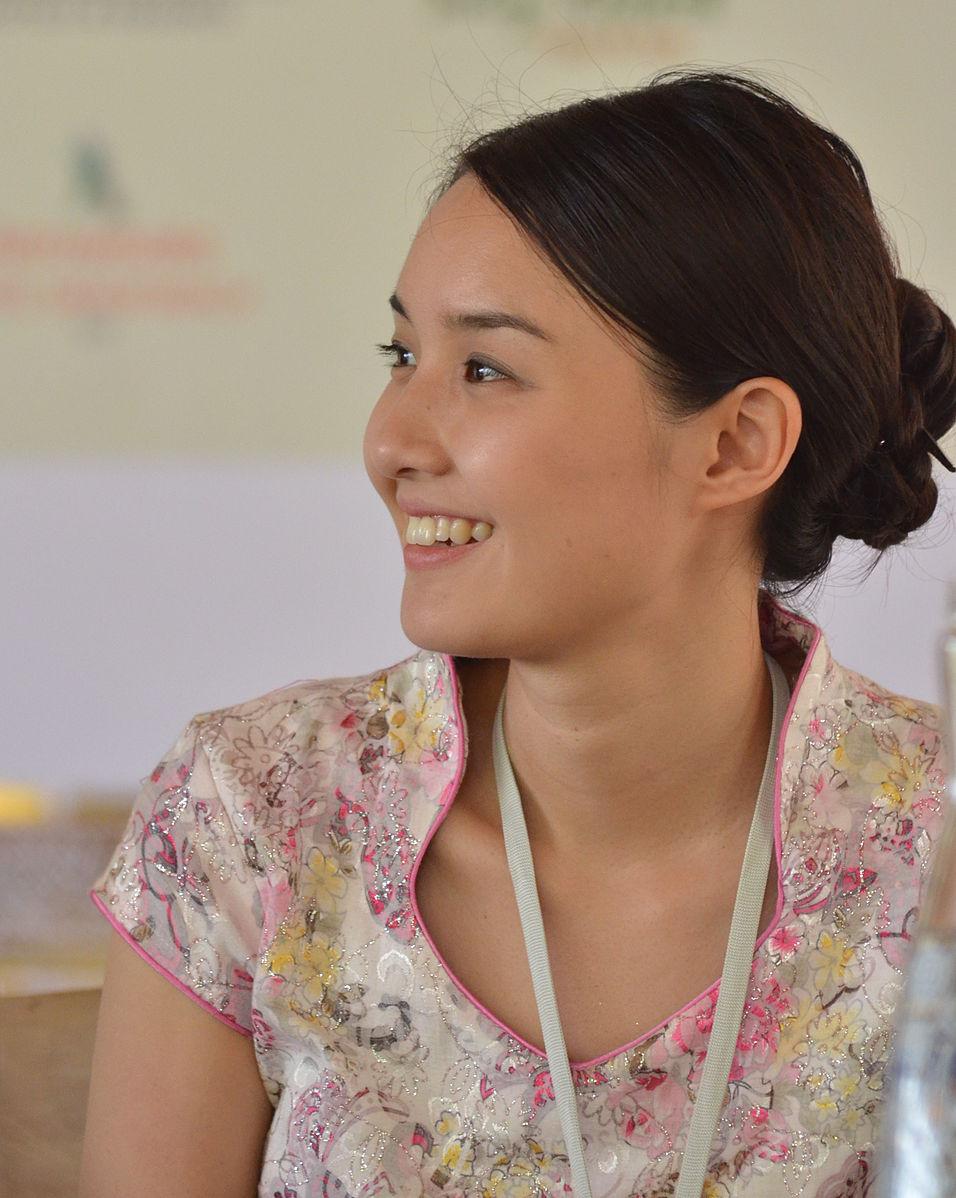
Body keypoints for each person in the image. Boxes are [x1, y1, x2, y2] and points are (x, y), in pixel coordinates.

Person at [80, 67, 955, 1197]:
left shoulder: (933, 863)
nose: (392, 438)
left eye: (484, 368)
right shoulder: (254, 818)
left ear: (735, 444)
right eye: (401, 357)